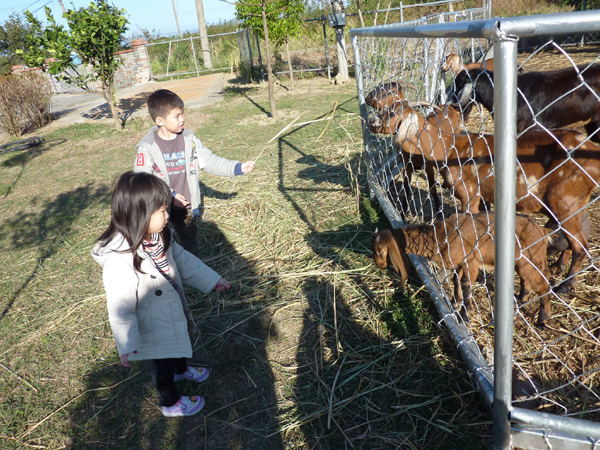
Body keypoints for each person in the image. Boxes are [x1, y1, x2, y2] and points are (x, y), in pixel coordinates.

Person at [92, 171, 232, 417]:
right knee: (162, 367)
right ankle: (171, 403)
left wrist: (212, 279)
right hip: (151, 325)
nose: (168, 216)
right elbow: (120, 304)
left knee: (177, 341)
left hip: (171, 308)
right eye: (162, 211)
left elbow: (183, 260)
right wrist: (126, 344)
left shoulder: (159, 235)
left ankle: (182, 369)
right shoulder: (120, 259)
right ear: (140, 215)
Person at [134, 89, 255, 254]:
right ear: (160, 121)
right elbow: (142, 180)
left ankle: (193, 272)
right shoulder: (147, 148)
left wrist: (236, 167)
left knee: (189, 244)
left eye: (182, 113)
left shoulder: (189, 140)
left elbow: (209, 160)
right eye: (176, 116)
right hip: (158, 208)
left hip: (186, 206)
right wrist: (170, 195)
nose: (182, 119)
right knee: (161, 245)